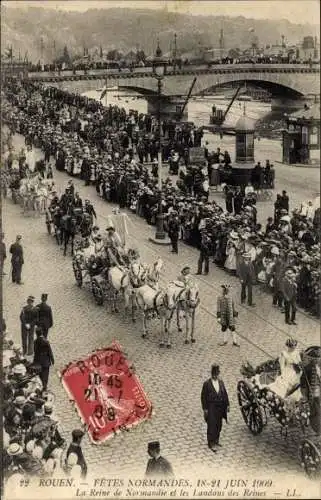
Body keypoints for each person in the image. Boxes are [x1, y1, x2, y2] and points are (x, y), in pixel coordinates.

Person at [201, 364, 230, 452]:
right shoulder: (207, 384)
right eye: (214, 374)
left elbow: (225, 394)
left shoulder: (221, 382)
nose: (215, 376)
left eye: (217, 374)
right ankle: (211, 443)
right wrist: (205, 409)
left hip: (220, 407)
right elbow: (203, 397)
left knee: (219, 425)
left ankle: (216, 440)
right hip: (211, 407)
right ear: (211, 374)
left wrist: (227, 405)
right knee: (211, 425)